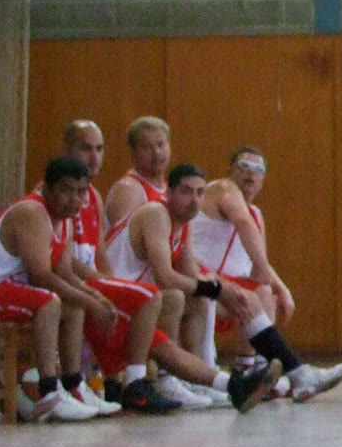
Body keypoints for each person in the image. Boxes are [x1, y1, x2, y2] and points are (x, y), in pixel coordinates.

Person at [104, 164, 320, 408]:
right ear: (169, 193)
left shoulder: (183, 224)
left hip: (141, 302)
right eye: (186, 192)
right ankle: (169, 380)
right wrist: (219, 290)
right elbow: (165, 277)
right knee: (176, 297)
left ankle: (227, 380)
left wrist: (222, 291)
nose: (194, 200)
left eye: (199, 193)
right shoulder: (156, 213)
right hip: (115, 301)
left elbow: (192, 274)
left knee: (205, 296)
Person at [0, 158, 126, 423]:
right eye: (66, 190)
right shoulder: (32, 212)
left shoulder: (65, 220)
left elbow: (64, 273)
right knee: (49, 301)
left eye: (81, 192)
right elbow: (41, 277)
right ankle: (48, 393)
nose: (74, 199)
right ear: (47, 188)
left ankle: (74, 385)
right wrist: (93, 305)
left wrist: (96, 298)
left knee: (73, 305)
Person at [184, 147, 296, 371]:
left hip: (229, 293)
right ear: (230, 170)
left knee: (264, 292)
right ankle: (208, 368)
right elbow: (243, 223)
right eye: (245, 166)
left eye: (258, 169)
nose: (251, 173)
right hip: (199, 281)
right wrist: (262, 269)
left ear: (263, 179)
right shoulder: (222, 189)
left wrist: (282, 289)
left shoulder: (255, 214)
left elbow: (260, 262)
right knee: (247, 293)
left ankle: (253, 368)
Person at [104, 116, 170, 234]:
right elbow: (119, 242)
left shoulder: (168, 188)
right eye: (147, 147)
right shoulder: (128, 189)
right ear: (133, 152)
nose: (156, 152)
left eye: (160, 145)